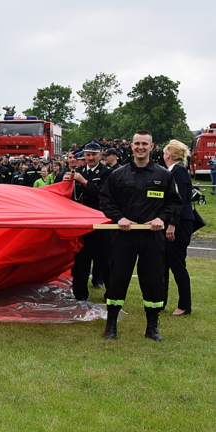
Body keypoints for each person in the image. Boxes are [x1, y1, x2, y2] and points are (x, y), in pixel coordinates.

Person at [99, 130, 183, 341]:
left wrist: (161, 218)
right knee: (117, 279)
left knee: (153, 280)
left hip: (151, 237)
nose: (140, 147)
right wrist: (119, 218)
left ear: (152, 147)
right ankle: (111, 325)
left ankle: (152, 327)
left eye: (145, 144)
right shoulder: (118, 174)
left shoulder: (164, 175)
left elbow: (174, 202)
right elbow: (105, 201)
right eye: (137, 143)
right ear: (131, 146)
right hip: (124, 235)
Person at [68, 141, 112, 300]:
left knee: (106, 260)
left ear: (101, 154)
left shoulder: (108, 172)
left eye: (94, 154)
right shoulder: (78, 170)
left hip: (102, 223)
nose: (91, 157)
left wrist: (84, 182)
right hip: (83, 224)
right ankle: (79, 295)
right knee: (81, 260)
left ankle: (111, 294)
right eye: (88, 154)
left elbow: (103, 193)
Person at [162, 140, 194, 316]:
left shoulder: (179, 172)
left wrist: (172, 224)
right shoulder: (172, 171)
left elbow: (179, 200)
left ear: (169, 155)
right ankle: (161, 301)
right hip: (173, 222)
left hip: (179, 224)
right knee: (164, 263)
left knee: (177, 264)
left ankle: (184, 305)